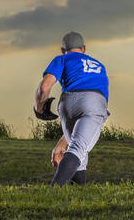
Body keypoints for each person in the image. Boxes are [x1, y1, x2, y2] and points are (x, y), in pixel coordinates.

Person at [33, 31, 110, 187]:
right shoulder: (99, 66)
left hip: (67, 102)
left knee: (79, 155)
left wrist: (39, 109)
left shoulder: (62, 59)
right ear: (84, 48)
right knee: (78, 148)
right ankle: (52, 192)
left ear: (63, 50)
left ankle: (79, 192)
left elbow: (44, 87)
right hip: (94, 101)